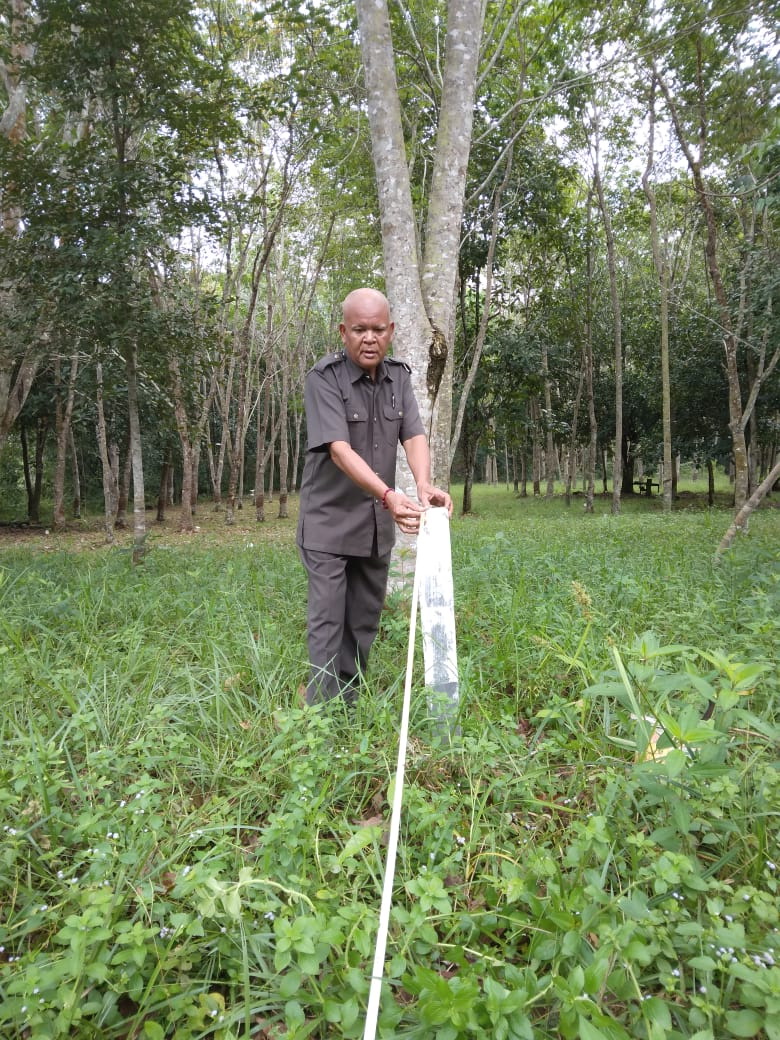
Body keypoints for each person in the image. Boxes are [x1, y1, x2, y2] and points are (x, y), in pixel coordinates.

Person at [296, 287, 453, 706]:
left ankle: (349, 702)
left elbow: (414, 433)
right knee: (328, 621)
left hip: (374, 526)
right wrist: (388, 494)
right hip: (329, 523)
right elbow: (339, 450)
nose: (370, 338)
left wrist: (423, 484)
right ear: (343, 331)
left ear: (392, 331)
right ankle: (320, 718)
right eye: (360, 330)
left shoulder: (398, 377)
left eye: (378, 329)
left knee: (363, 619)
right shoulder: (323, 379)